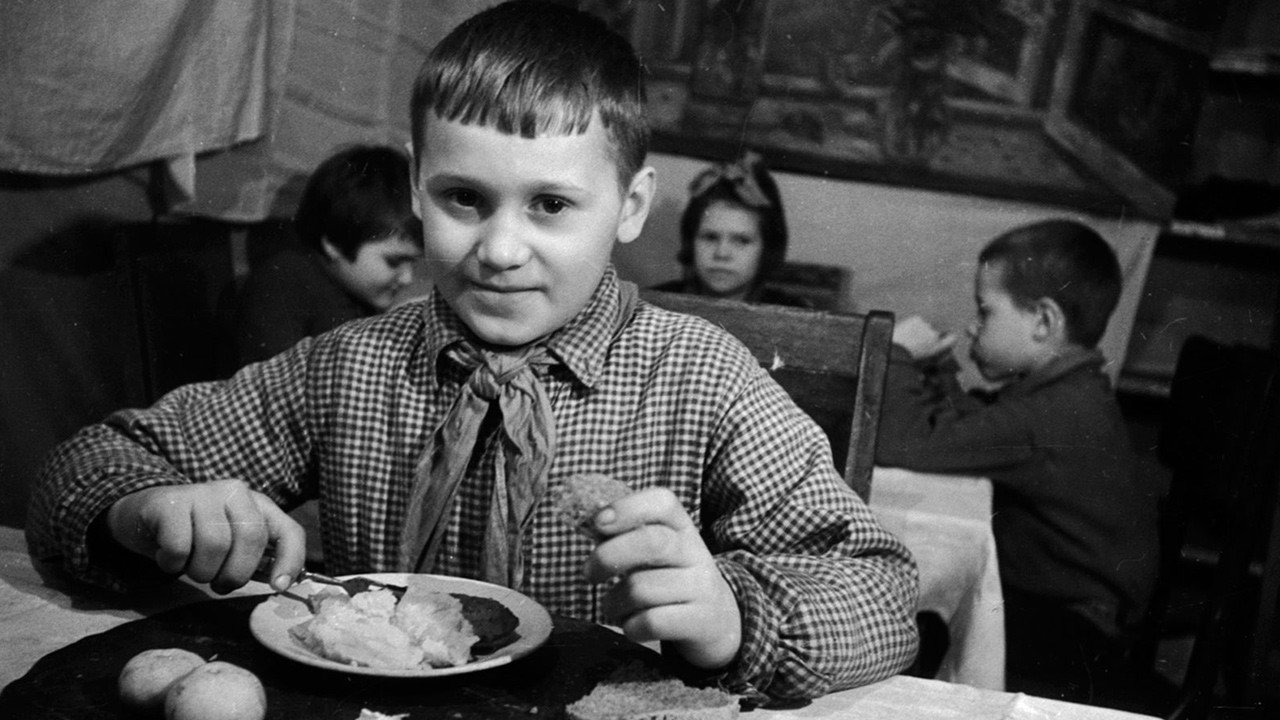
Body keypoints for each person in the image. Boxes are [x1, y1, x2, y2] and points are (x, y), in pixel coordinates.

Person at [28, 0, 918, 703]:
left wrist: (734, 615)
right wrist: (145, 510)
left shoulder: (703, 379)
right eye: (463, 198)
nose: (499, 249)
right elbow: (84, 467)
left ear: (632, 207)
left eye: (551, 206)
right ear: (418, 185)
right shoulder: (348, 366)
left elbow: (880, 595)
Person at [875, 219, 1159, 706]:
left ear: (1044, 321)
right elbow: (971, 430)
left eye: (985, 311)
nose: (973, 326)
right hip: (1068, 608)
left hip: (1072, 633)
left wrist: (895, 353)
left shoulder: (1054, 413)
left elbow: (909, 445)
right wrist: (939, 371)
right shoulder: (1067, 392)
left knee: (903, 625)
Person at [233, 144, 424, 365]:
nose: (408, 278)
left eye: (413, 262)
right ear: (335, 243)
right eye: (394, 261)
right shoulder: (285, 282)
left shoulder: (356, 294)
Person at [652, 150, 810, 307]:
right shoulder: (654, 303)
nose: (721, 253)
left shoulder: (794, 312)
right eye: (710, 237)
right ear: (691, 240)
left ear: (767, 248)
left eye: (741, 240)